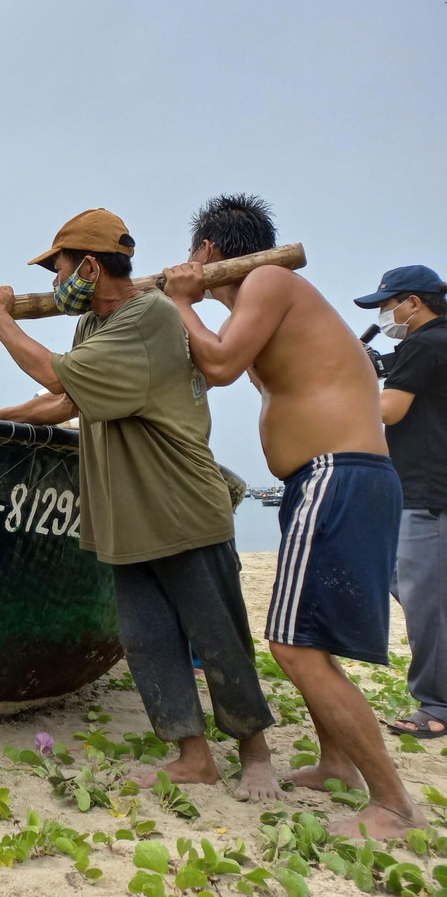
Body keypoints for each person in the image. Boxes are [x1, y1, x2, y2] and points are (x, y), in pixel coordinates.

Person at [0, 208, 278, 802]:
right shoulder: (94, 327)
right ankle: (194, 758)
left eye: (58, 269)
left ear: (88, 265)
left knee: (218, 635)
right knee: (148, 640)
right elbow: (66, 401)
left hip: (181, 505)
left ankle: (255, 753)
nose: (56, 282)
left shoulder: (149, 317)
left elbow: (53, 375)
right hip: (126, 515)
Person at [162, 193, 426, 838]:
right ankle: (337, 763)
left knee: (292, 646)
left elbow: (219, 365)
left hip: (336, 474)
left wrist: (180, 300)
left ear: (207, 252)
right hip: (327, 479)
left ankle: (393, 804)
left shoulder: (270, 279)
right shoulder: (270, 306)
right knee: (314, 642)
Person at [353, 266, 447, 740]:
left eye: (388, 304)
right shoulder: (436, 345)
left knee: (425, 603)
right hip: (426, 487)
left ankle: (437, 705)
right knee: (408, 584)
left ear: (414, 302)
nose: (385, 313)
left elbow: (388, 410)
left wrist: (352, 379)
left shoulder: (424, 344)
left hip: (428, 493)